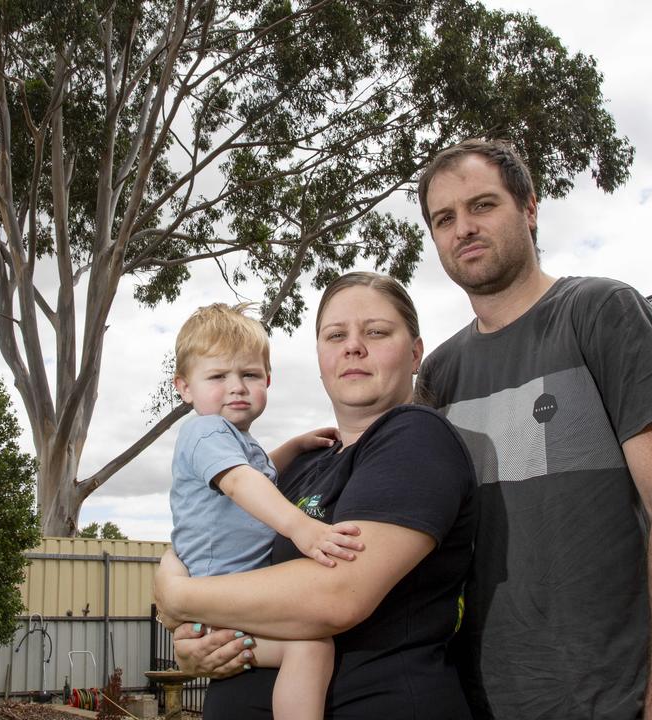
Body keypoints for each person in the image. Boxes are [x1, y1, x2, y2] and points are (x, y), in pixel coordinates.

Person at [416, 138, 652, 719]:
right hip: (473, 699)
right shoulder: (439, 374)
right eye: (444, 218)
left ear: (529, 209)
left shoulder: (601, 312)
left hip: (607, 698)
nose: (463, 229)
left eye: (483, 205)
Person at [155, 273, 479, 719]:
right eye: (336, 335)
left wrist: (177, 597)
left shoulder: (414, 437)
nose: (353, 346)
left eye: (376, 332)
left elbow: (337, 595)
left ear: (415, 354)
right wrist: (194, 643)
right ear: (320, 358)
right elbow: (209, 529)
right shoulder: (308, 464)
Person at [167, 302, 366, 720]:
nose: (236, 386)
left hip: (231, 594)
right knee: (311, 645)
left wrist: (294, 446)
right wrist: (301, 528)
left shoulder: (236, 439)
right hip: (223, 596)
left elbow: (257, 473)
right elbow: (241, 483)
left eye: (250, 375)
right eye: (218, 376)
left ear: (268, 381)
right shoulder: (204, 431)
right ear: (184, 388)